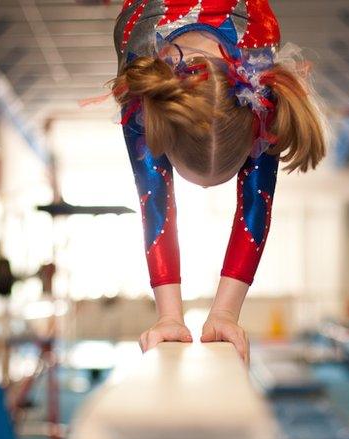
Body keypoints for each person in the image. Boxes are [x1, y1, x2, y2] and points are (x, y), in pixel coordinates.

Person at [111, 0, 326, 362]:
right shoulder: (143, 84)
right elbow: (154, 201)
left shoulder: (261, 90)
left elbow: (257, 202)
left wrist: (224, 312)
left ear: (254, 129)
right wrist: (169, 316)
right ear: (160, 132)